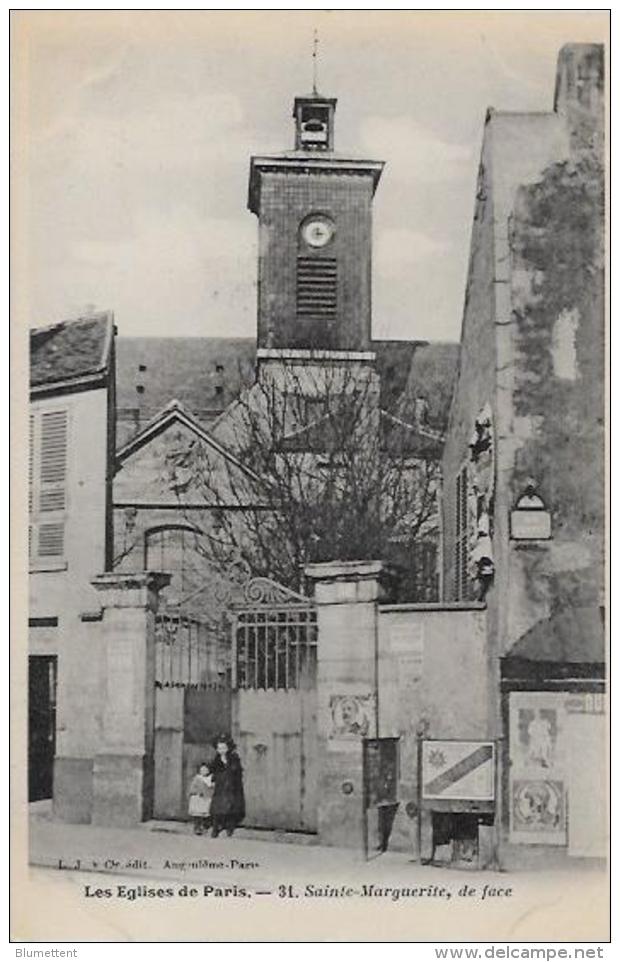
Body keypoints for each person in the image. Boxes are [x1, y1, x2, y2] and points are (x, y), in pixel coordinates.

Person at [209, 734, 245, 837]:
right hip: (220, 787)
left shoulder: (233, 758)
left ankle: (230, 826)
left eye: (224, 748)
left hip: (231, 786)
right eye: (219, 748)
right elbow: (213, 770)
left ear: (228, 748)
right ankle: (216, 827)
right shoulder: (217, 759)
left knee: (231, 806)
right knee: (217, 806)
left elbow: (237, 771)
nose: (221, 750)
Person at [187, 762, 213, 835]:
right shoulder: (197, 778)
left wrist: (210, 793)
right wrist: (196, 792)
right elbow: (192, 788)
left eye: (205, 770)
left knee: (206, 813)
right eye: (202, 770)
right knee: (197, 813)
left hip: (206, 798)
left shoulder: (210, 779)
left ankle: (205, 826)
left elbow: (212, 789)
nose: (203, 771)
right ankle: (197, 827)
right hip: (198, 798)